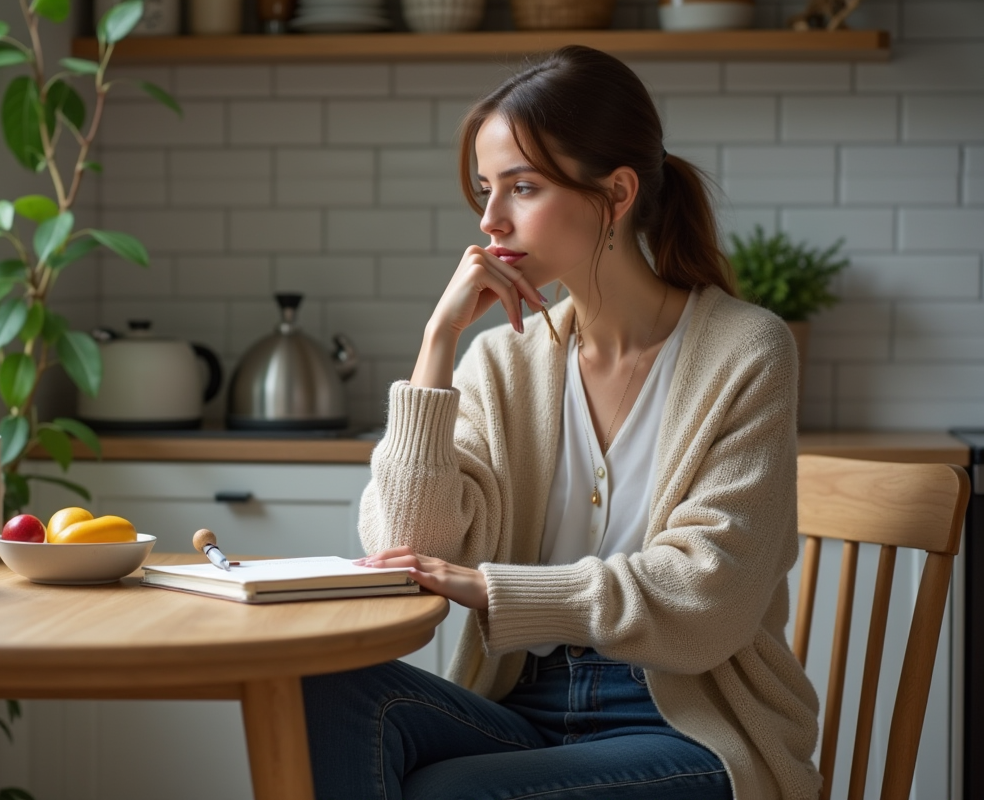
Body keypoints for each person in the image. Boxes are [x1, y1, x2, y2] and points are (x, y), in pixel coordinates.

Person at [302, 45, 821, 800]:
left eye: (523, 186)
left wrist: (491, 590)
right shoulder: (502, 362)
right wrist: (436, 343)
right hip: (524, 704)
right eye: (486, 189)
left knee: (445, 792)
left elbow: (707, 598)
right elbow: (404, 547)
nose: (490, 219)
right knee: (323, 691)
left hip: (686, 724)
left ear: (616, 193)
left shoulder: (745, 350)